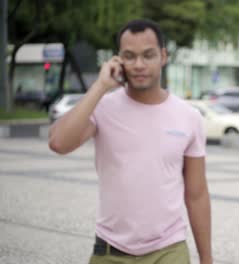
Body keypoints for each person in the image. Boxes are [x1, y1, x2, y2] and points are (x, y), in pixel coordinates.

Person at [48, 19, 212, 264]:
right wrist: (101, 86)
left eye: (148, 55)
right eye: (129, 56)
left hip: (169, 250)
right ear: (118, 59)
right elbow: (58, 143)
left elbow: (197, 195)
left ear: (163, 56)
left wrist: (206, 259)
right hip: (110, 250)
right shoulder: (102, 108)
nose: (138, 65)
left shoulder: (189, 117)